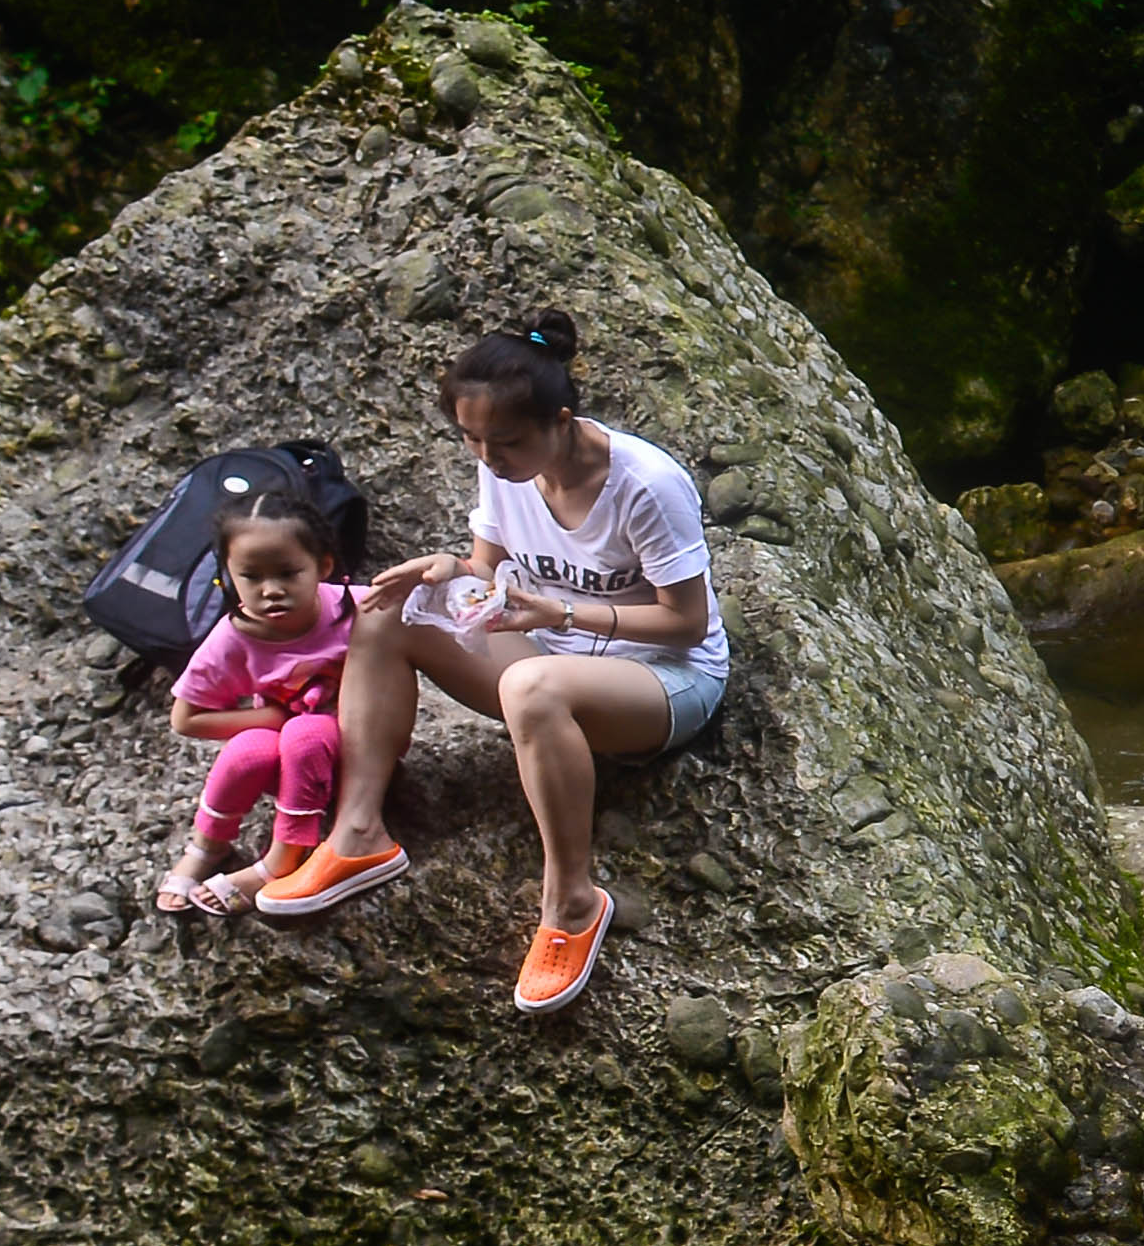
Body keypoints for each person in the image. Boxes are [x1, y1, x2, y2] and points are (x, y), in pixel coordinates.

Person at [263, 310, 728, 1013]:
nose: (488, 457)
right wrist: (448, 570)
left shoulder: (645, 484)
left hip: (662, 680)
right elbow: (488, 567)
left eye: (505, 441)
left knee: (533, 687)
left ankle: (572, 901)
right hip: (550, 654)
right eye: (470, 438)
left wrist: (561, 613)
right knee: (390, 608)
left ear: (560, 420)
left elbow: (685, 622)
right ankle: (359, 833)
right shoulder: (505, 467)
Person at [158, 496, 372, 915]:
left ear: (323, 566)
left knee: (306, 731)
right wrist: (270, 718)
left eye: (289, 573)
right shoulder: (234, 637)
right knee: (250, 747)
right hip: (293, 761)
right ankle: (207, 847)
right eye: (251, 577)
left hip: (363, 752)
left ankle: (284, 858)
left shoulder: (359, 608)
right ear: (228, 577)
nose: (271, 590)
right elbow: (185, 718)